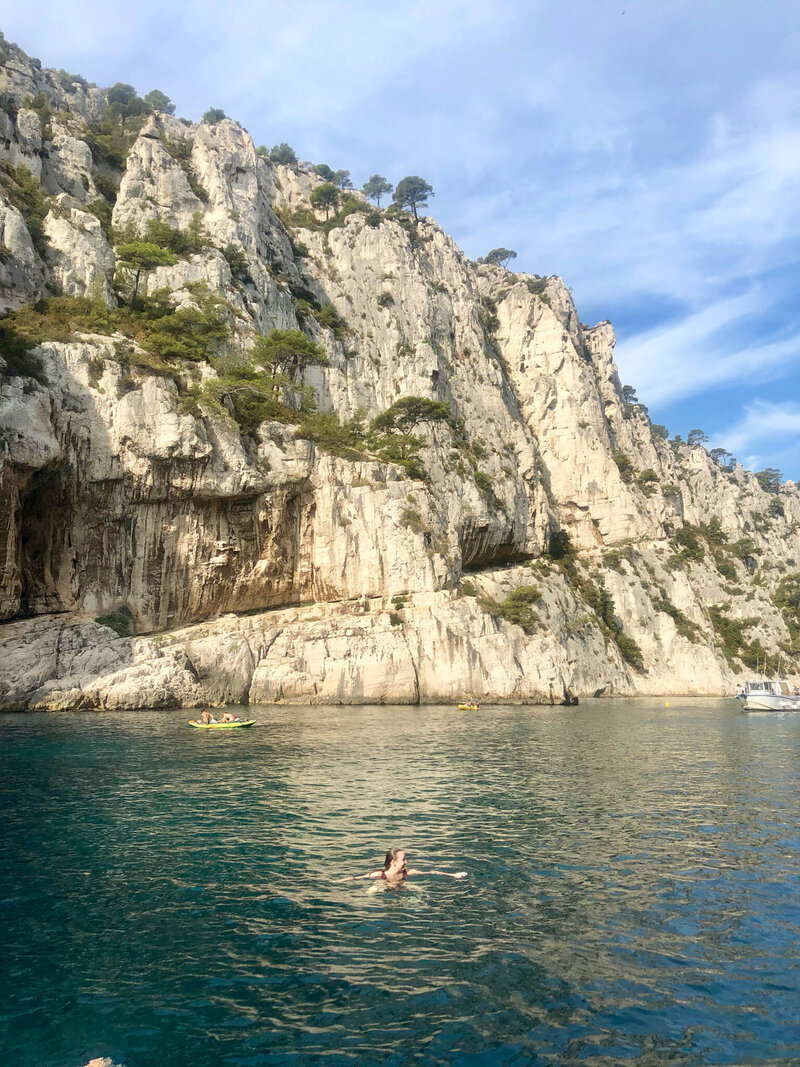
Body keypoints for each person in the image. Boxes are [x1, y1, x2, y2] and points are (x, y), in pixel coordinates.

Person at [364, 847, 467, 882]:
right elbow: (358, 878)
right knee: (375, 888)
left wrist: (453, 875)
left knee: (417, 891)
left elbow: (431, 872)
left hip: (401, 890)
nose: (406, 862)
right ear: (393, 862)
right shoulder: (379, 874)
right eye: (403, 859)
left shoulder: (407, 872)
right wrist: (346, 879)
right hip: (384, 888)